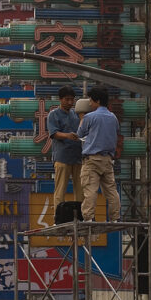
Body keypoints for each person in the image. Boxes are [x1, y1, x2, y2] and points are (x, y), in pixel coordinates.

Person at [75, 86, 121, 222]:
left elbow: (79, 134)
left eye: (91, 100)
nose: (90, 103)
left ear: (98, 101)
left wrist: (82, 118)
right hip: (107, 159)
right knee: (111, 190)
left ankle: (88, 218)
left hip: (92, 160)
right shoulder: (113, 118)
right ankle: (115, 217)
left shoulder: (90, 117)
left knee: (90, 190)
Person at [47, 85, 84, 213]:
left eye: (71, 99)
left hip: (77, 157)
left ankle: (81, 214)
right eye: (67, 99)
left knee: (80, 189)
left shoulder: (76, 114)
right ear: (60, 99)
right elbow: (54, 134)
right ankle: (58, 216)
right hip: (62, 157)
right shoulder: (53, 114)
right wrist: (68, 135)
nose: (69, 102)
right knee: (60, 189)